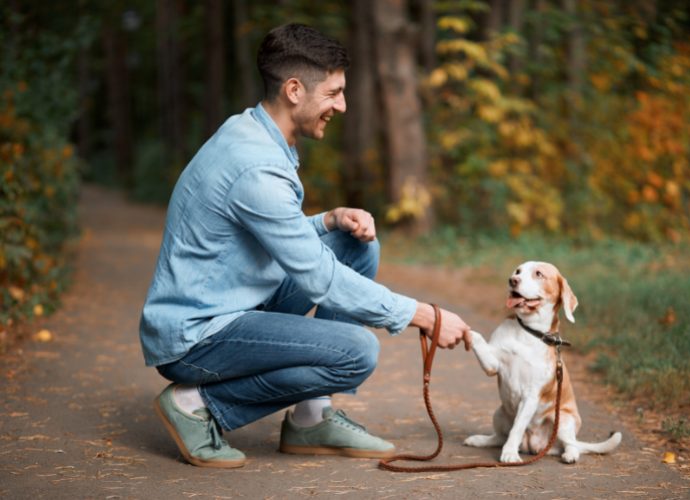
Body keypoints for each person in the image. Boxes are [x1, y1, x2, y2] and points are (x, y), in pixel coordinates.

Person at [140, 23, 472, 469]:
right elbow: (319, 278)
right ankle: (197, 402)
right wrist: (423, 315)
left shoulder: (252, 131)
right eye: (333, 93)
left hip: (233, 304)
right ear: (294, 90)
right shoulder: (255, 165)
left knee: (354, 247)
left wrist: (329, 220)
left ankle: (311, 417)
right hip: (197, 336)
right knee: (357, 351)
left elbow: (268, 236)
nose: (343, 105)